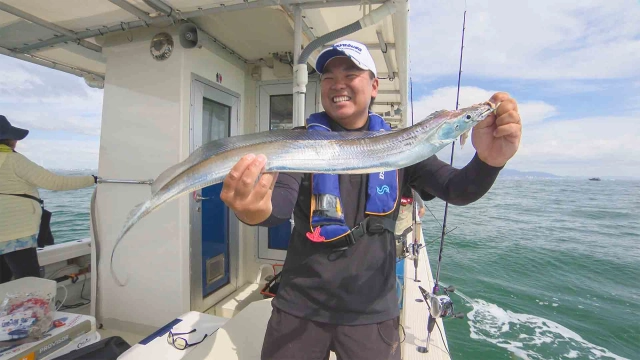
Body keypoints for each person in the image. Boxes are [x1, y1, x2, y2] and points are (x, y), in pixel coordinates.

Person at [220, 40, 522, 360]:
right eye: (328, 77)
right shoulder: (301, 142)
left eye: (351, 74)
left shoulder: (404, 145)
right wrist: (252, 209)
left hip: (372, 310)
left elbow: (458, 189)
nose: (338, 84)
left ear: (374, 86)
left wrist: (489, 161)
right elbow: (277, 207)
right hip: (299, 305)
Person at [0, 115, 97, 283]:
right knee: (29, 281)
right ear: (9, 139)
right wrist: (93, 179)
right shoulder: (12, 160)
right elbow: (56, 182)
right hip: (15, 233)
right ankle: (28, 309)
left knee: (3, 279)